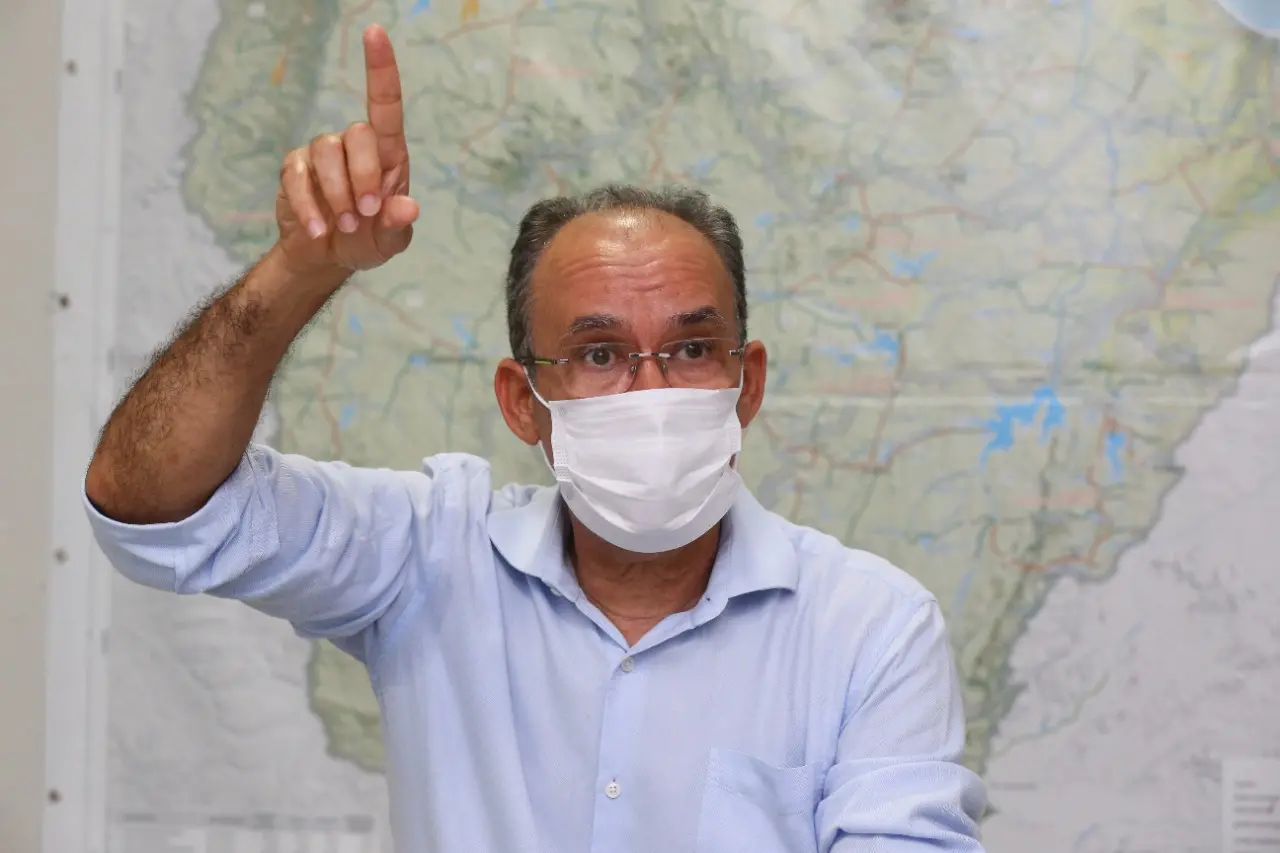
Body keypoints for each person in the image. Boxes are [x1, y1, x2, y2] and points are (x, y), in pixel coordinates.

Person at [83, 23, 986, 853]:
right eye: (599, 353)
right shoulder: (429, 558)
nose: (651, 390)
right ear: (524, 402)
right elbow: (151, 505)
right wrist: (300, 269)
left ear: (745, 383)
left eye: (690, 349)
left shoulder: (868, 626)